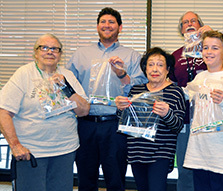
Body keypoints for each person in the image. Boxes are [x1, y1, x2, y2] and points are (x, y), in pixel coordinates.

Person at [66, 7, 147, 191]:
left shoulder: (132, 56)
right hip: (86, 124)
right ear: (97, 26)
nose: (107, 25)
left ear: (120, 27)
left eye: (111, 22)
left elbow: (141, 87)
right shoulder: (81, 54)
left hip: (116, 124)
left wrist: (122, 75)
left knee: (116, 178)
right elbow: (69, 86)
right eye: (103, 22)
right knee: (85, 178)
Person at [0, 33, 90, 191]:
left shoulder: (67, 75)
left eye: (55, 49)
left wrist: (66, 87)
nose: (50, 52)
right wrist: (15, 146)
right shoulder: (23, 74)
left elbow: (84, 110)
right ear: (35, 52)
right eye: (45, 48)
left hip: (65, 150)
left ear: (60, 54)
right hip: (32, 152)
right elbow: (3, 112)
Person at [171, 11, 223, 191]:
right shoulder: (198, 79)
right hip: (199, 152)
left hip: (222, 153)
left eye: (215, 48)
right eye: (206, 48)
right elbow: (180, 92)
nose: (209, 52)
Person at [115, 47, 185, 191]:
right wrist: (120, 109)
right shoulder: (136, 90)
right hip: (136, 151)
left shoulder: (175, 91)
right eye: (150, 64)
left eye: (160, 65)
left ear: (167, 70)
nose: (155, 69)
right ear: (145, 69)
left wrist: (167, 114)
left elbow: (178, 126)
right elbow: (124, 123)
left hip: (161, 153)